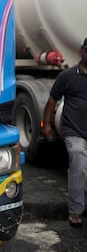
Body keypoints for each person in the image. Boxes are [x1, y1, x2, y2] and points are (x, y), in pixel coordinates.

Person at [42, 37, 87, 228]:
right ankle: (76, 211)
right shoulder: (68, 75)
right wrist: (46, 124)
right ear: (81, 51)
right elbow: (53, 100)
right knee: (78, 159)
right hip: (74, 130)